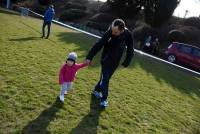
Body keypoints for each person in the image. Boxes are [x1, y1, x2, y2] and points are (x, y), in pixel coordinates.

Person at [85, 19, 134, 107]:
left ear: (122, 30)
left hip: (115, 62)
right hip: (106, 60)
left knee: (105, 79)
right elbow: (99, 44)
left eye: (115, 32)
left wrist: (126, 62)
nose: (113, 32)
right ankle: (104, 100)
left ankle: (96, 90)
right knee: (105, 80)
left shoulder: (128, 34)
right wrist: (89, 57)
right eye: (112, 30)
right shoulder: (109, 32)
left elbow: (130, 49)